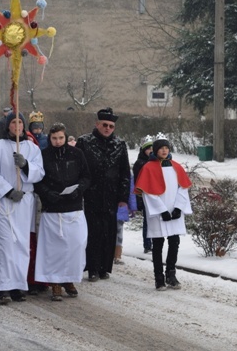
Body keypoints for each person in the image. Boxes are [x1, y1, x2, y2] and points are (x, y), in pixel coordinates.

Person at [0, 111, 45, 304]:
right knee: (5, 243)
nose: (17, 126)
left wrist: (26, 165)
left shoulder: (31, 148)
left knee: (21, 244)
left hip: (25, 202)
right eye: (13, 122)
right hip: (6, 202)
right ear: (7, 125)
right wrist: (9, 191)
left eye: (20, 122)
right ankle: (3, 286)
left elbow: (40, 172)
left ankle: (18, 284)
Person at [34, 123, 90, 301]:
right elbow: (37, 180)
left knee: (76, 245)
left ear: (65, 137)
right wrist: (47, 193)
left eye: (60, 138)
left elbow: (86, 177)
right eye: (54, 138)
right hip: (52, 208)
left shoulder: (77, 154)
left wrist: (78, 190)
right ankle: (55, 282)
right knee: (53, 249)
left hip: (73, 206)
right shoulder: (43, 156)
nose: (57, 141)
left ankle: (69, 279)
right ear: (49, 138)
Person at [76, 108, 130, 282]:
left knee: (108, 232)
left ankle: (104, 267)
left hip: (111, 195)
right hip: (90, 194)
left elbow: (124, 173)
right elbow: (78, 168)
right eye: (105, 125)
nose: (108, 128)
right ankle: (91, 267)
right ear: (97, 124)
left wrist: (123, 198)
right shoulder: (84, 142)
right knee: (93, 232)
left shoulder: (120, 145)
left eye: (111, 126)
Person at [134, 133, 192, 290]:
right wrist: (162, 210)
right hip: (158, 214)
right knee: (158, 245)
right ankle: (158, 277)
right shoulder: (148, 167)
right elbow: (148, 192)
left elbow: (183, 188)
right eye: (161, 148)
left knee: (174, 243)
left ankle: (171, 275)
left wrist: (179, 208)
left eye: (167, 148)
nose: (164, 151)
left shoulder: (176, 167)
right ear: (156, 150)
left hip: (175, 211)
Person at [133, 135, 154, 253]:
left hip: (155, 196)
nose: (150, 150)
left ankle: (154, 243)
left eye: (152, 148)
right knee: (147, 221)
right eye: (148, 148)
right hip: (145, 196)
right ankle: (147, 245)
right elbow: (138, 182)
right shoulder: (140, 163)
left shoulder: (155, 162)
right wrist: (139, 198)